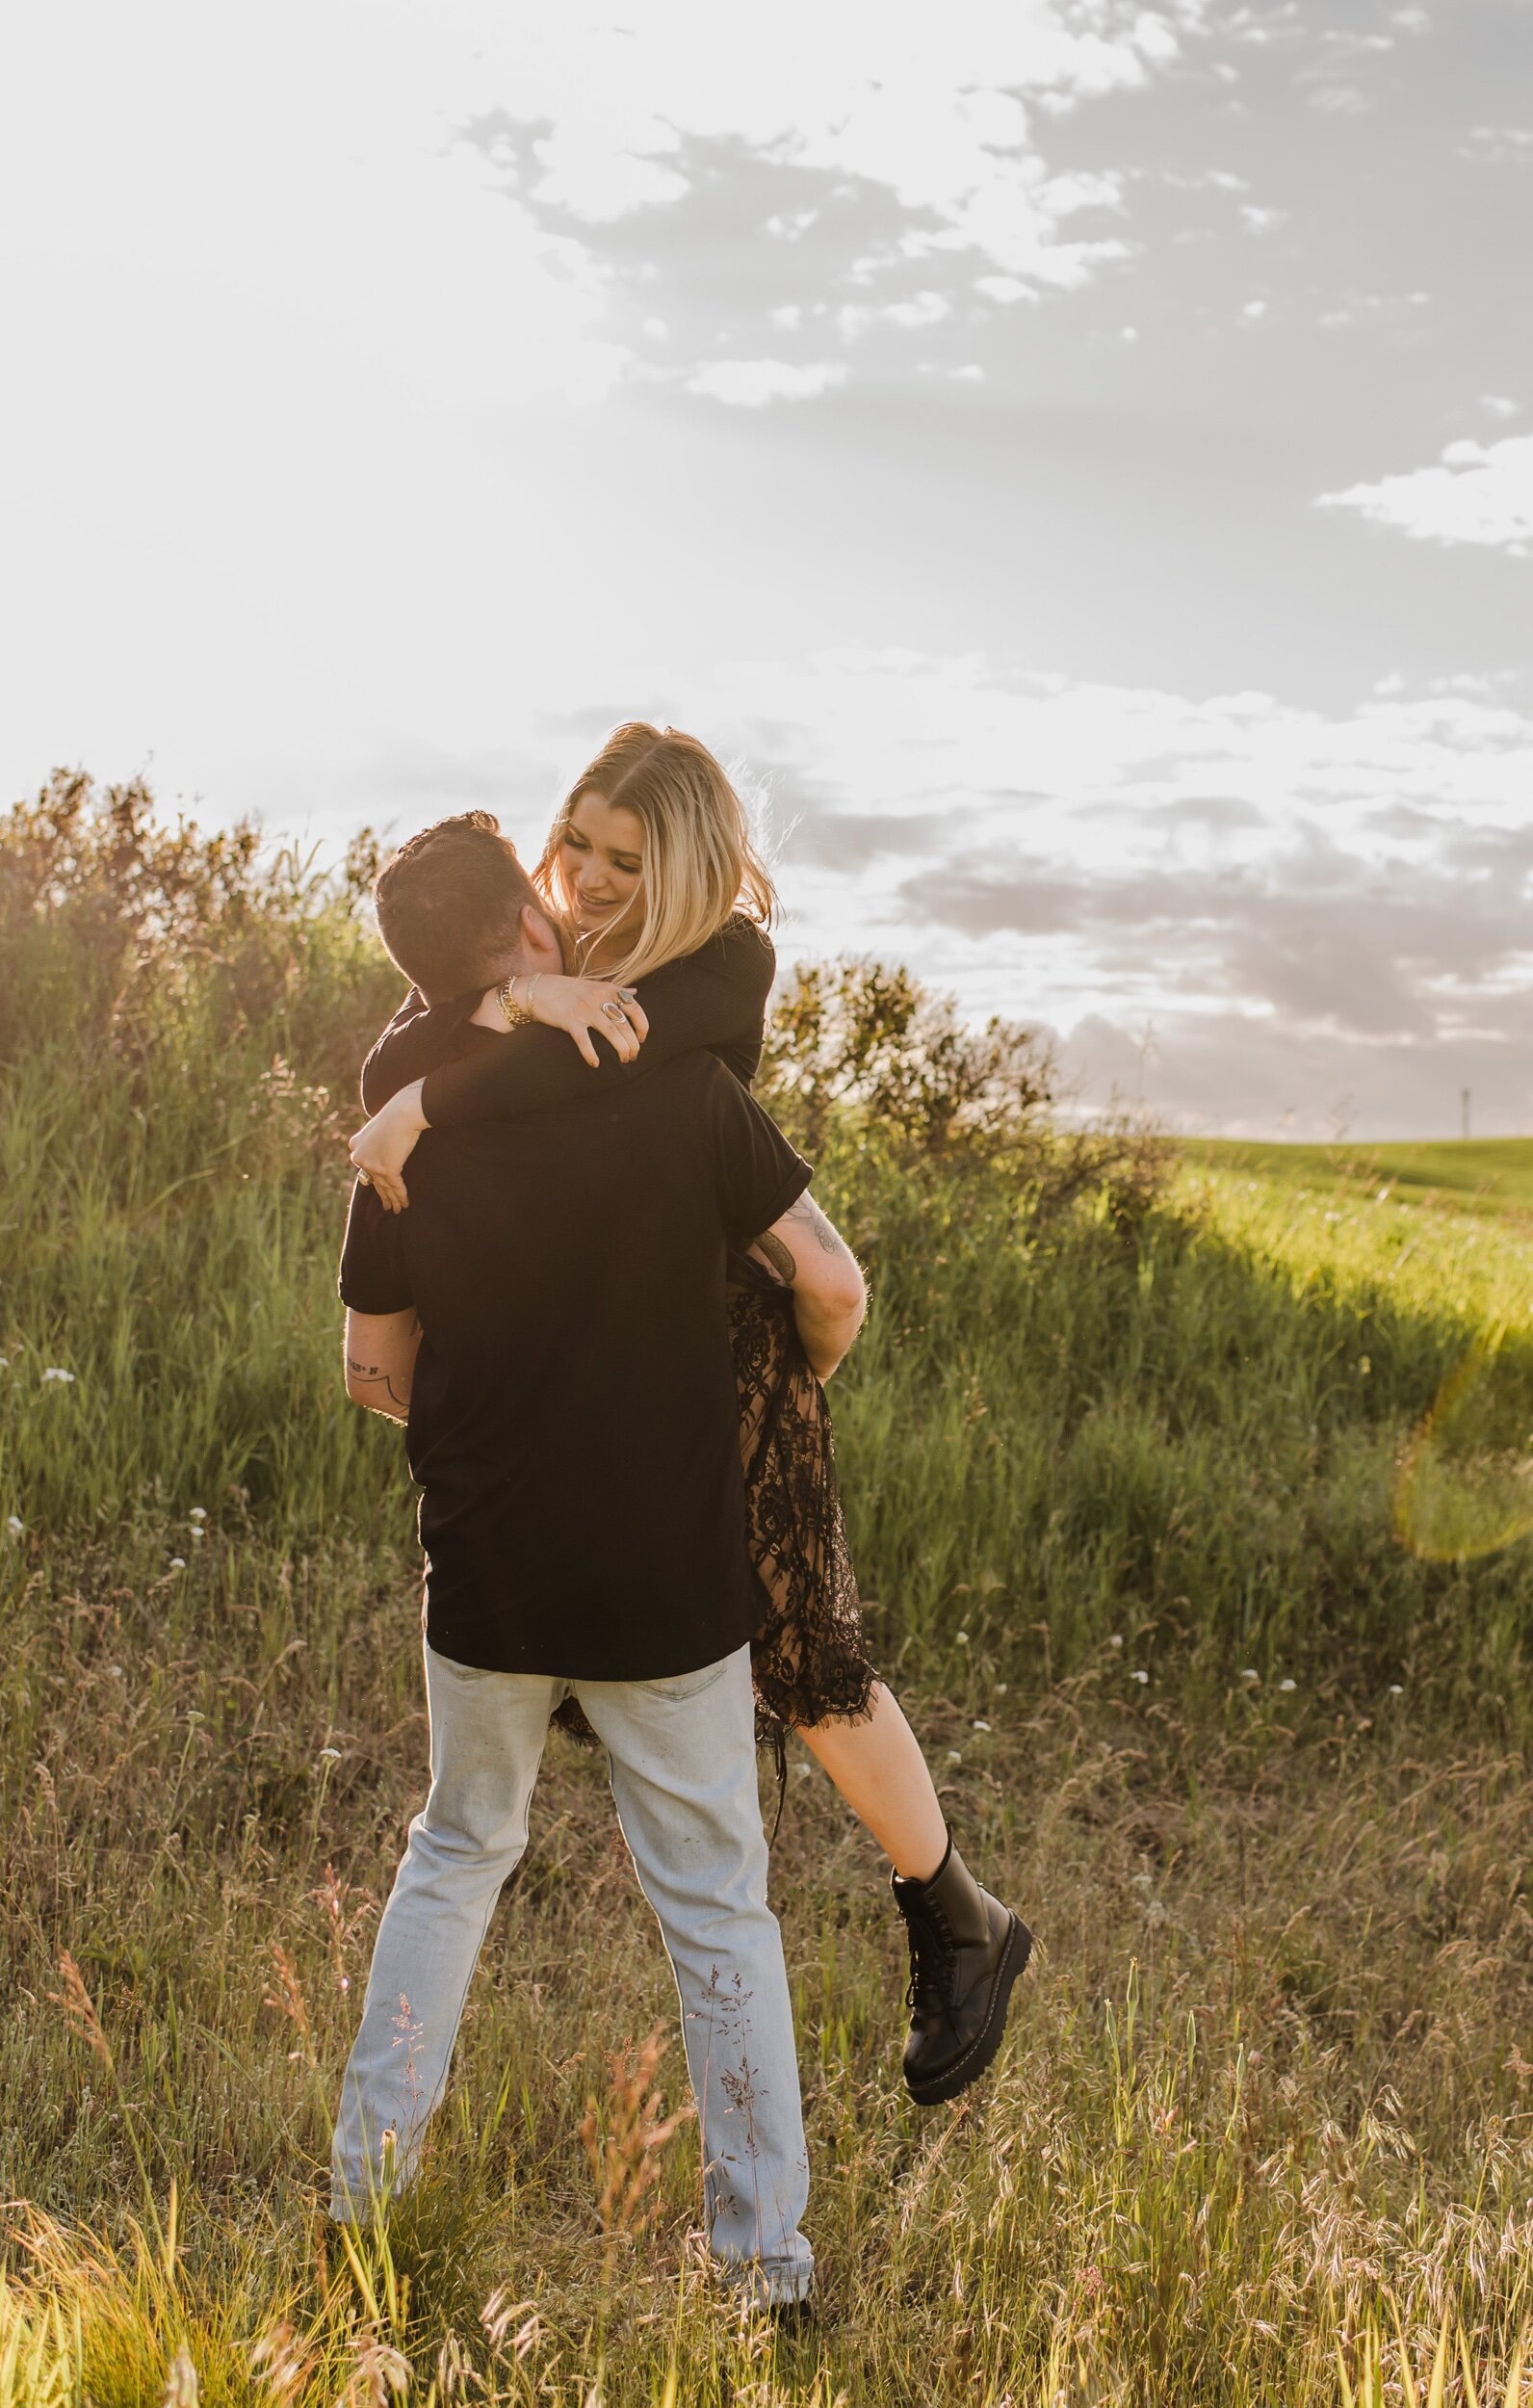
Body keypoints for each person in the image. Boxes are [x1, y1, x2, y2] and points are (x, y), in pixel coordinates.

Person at [349, 724, 1032, 2107]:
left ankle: (954, 1913)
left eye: (627, 859)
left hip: (720, 1337)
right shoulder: (531, 964)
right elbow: (414, 1049)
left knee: (809, 1663)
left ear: (691, 869)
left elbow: (608, 1075)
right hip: (598, 1342)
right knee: (684, 1680)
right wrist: (493, 1021)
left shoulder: (718, 969)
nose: (593, 882)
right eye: (579, 849)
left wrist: (442, 1082)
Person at [331, 811, 870, 2307]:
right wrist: (785, 1377)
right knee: (716, 1903)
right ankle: (766, 2271)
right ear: (528, 923)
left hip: (490, 1571)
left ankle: (363, 2204)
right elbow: (830, 1279)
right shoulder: (687, 1089)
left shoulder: (402, 1123)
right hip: (668, 1578)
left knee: (453, 1859)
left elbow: (374, 1375)